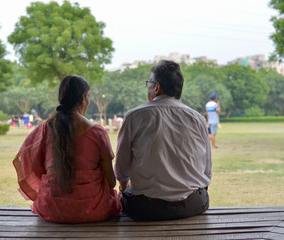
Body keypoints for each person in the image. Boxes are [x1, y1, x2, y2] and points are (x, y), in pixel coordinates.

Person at [13, 75, 121, 223]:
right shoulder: (97, 132)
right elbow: (111, 182)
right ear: (83, 98)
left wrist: (52, 178)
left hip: (51, 207)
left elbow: (28, 159)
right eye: (88, 96)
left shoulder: (47, 127)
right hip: (92, 209)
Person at [115, 60, 212, 221]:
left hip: (148, 208)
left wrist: (125, 187)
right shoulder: (197, 118)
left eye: (149, 83)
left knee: (128, 195)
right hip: (193, 205)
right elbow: (206, 171)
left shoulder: (134, 116)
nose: (148, 87)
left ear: (156, 87)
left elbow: (122, 169)